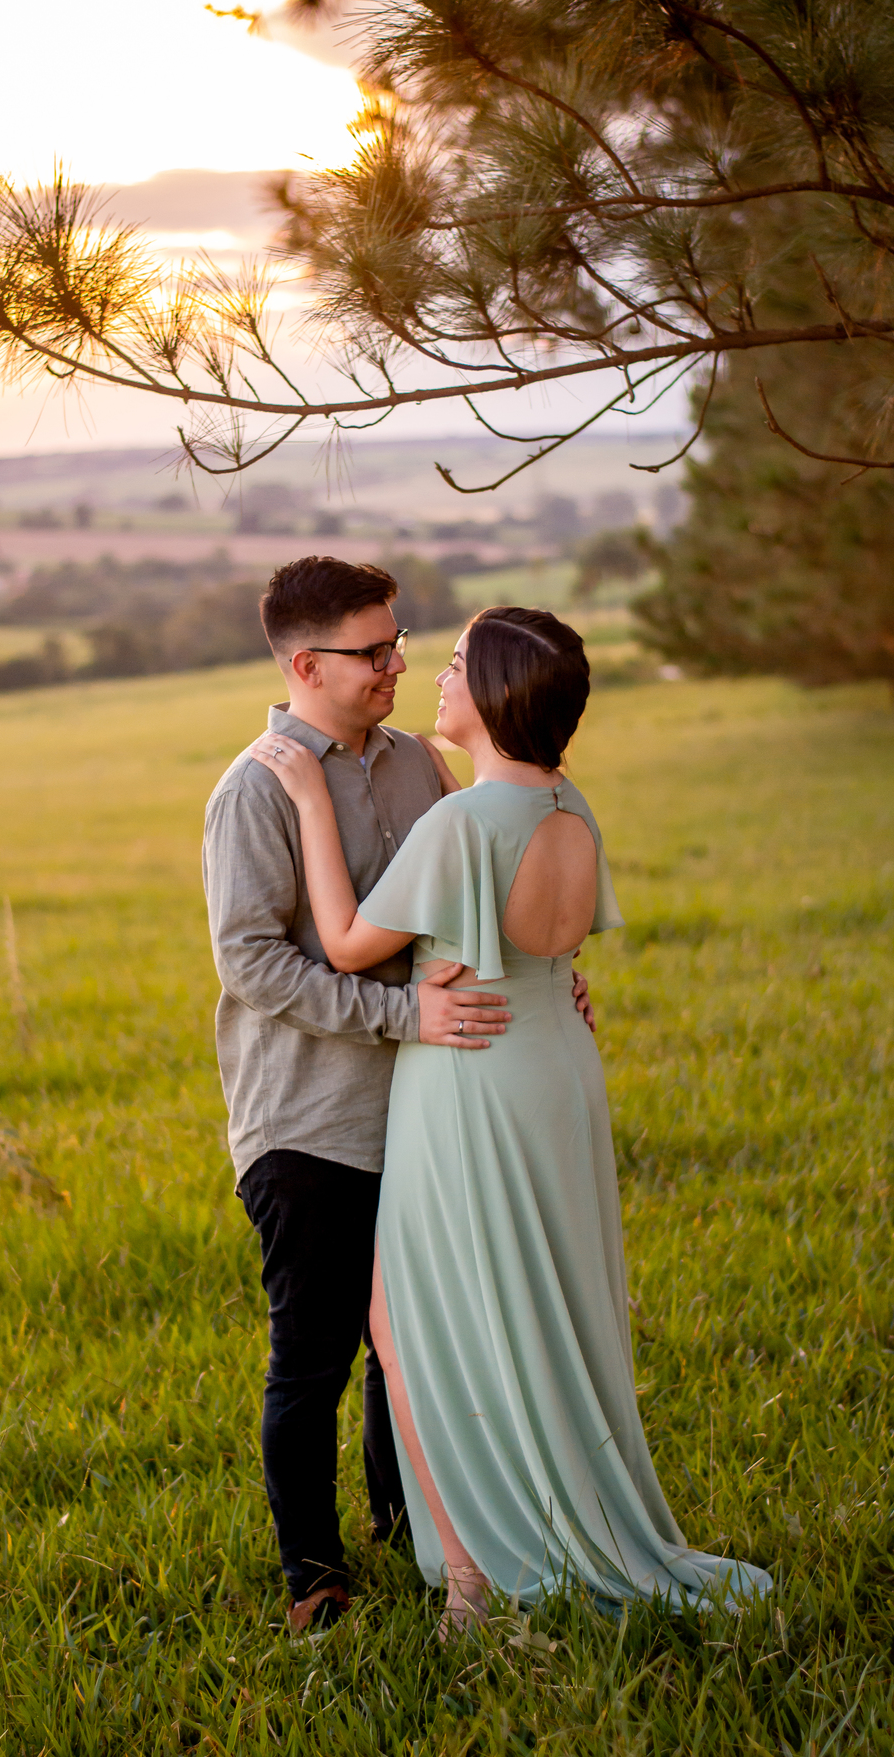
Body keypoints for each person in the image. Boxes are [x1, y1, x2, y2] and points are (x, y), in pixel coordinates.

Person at [251, 604, 773, 1635]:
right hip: (556, 1061)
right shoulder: (568, 806)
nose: (433, 678)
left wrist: (309, 794)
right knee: (545, 1308)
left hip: (470, 1079)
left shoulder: (459, 827)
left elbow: (347, 943)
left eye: (453, 664)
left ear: (491, 695)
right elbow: (529, 912)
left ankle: (471, 1582)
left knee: (407, 1327)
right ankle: (551, 1516)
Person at [202, 559, 594, 1634]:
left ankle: (413, 1532)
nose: (397, 664)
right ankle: (314, 1580)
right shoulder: (255, 790)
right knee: (314, 1356)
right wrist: (402, 1016)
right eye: (374, 651)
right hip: (311, 1119)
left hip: (431, 1106)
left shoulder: (421, 761)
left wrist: (546, 975)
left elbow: (481, 892)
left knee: (415, 1341)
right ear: (306, 665)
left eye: (399, 642)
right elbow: (255, 967)